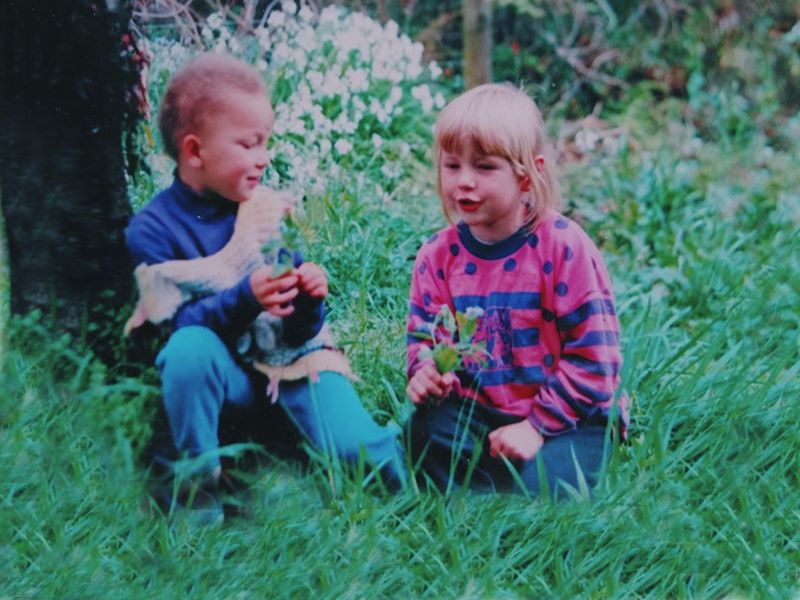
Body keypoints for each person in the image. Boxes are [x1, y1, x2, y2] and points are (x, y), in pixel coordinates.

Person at [125, 53, 404, 521]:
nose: (264, 158)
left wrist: (309, 300)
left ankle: (424, 472)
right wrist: (244, 298)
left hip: (290, 365)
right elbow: (167, 333)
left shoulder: (264, 211)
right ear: (195, 152)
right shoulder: (152, 230)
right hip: (224, 384)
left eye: (266, 143)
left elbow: (297, 333)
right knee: (189, 349)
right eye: (250, 144)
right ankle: (199, 497)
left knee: (358, 452)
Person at [404, 83, 627, 499]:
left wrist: (536, 427)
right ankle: (473, 506)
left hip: (571, 418)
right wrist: (427, 373)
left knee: (550, 489)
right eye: (452, 166)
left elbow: (597, 361)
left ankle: (516, 495)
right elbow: (425, 338)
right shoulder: (437, 257)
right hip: (481, 411)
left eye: (485, 167)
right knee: (424, 431)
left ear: (528, 174)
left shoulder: (565, 248)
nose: (463, 182)